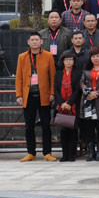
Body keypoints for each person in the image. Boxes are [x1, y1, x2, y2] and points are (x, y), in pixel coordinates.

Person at [16, 33, 58, 162]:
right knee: (29, 126)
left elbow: (52, 76)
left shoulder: (48, 56)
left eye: (37, 40)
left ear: (41, 41)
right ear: (28, 42)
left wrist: (52, 93)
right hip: (28, 95)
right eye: (32, 40)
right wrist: (19, 94)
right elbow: (19, 77)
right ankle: (31, 152)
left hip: (44, 95)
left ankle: (47, 152)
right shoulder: (22, 57)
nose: (34, 42)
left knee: (46, 125)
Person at [78, 48, 99, 162]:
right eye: (93, 56)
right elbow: (81, 82)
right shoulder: (86, 69)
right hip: (88, 100)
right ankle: (91, 152)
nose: (95, 58)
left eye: (98, 56)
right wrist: (88, 92)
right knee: (89, 128)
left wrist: (97, 93)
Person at [53, 52, 81, 162]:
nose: (68, 61)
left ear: (74, 61)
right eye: (66, 59)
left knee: (73, 131)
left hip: (73, 105)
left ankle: (72, 154)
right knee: (63, 132)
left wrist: (69, 103)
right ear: (63, 61)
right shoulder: (59, 73)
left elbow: (77, 90)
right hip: (62, 106)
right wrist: (62, 103)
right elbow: (56, 90)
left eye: (71, 59)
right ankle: (65, 154)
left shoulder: (77, 73)